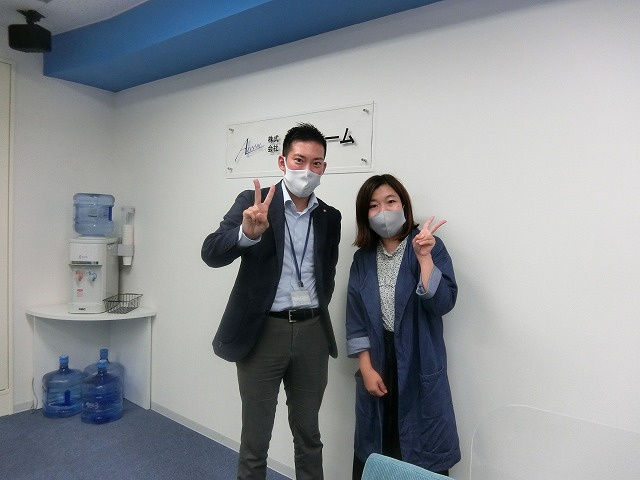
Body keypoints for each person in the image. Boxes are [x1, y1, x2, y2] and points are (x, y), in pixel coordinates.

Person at [201, 123, 341, 480]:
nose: (307, 170)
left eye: (316, 163)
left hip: (312, 333)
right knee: (256, 440)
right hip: (263, 333)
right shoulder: (253, 203)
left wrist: (313, 308)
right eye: (299, 160)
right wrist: (246, 235)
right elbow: (211, 252)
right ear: (282, 162)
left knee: (309, 436)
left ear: (324, 168)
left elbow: (326, 274)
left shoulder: (330, 217)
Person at [345, 174, 460, 478]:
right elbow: (356, 317)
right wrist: (366, 368)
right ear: (365, 214)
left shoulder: (428, 245)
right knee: (378, 444)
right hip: (379, 360)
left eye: (390, 201)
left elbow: (443, 304)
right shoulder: (362, 259)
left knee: (422, 446)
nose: (383, 211)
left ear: (404, 205)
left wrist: (425, 260)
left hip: (419, 357)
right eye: (373, 206)